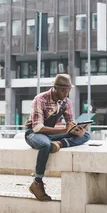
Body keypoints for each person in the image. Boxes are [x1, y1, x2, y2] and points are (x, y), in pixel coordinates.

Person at [25, 73, 90, 201]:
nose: (66, 92)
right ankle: (37, 183)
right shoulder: (40, 99)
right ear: (55, 88)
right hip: (34, 133)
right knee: (45, 145)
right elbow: (37, 127)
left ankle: (60, 144)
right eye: (63, 89)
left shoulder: (66, 102)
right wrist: (64, 129)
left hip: (50, 134)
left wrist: (75, 129)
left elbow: (70, 122)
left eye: (68, 90)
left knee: (86, 135)